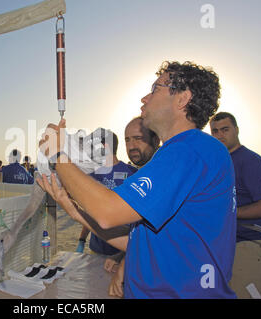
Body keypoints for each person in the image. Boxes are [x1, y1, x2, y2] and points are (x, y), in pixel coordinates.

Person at [37, 61, 237, 298]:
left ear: (182, 99)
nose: (145, 98)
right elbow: (136, 243)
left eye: (155, 88)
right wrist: (73, 209)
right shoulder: (182, 154)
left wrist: (59, 155)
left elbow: (108, 212)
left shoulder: (190, 150)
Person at [210, 112, 261, 298]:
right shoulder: (218, 162)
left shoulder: (250, 160)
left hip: (249, 244)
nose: (219, 135)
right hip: (223, 247)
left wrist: (229, 212)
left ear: (236, 130)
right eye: (215, 131)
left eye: (225, 129)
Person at [104, 117, 160, 297]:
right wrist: (121, 258)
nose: (132, 145)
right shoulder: (142, 174)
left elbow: (158, 240)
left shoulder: (161, 173)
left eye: (138, 138)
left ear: (155, 140)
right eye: (128, 140)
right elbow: (143, 232)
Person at [76, 131, 137, 257]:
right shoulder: (93, 175)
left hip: (125, 252)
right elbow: (91, 212)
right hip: (96, 250)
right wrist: (82, 240)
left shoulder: (133, 175)